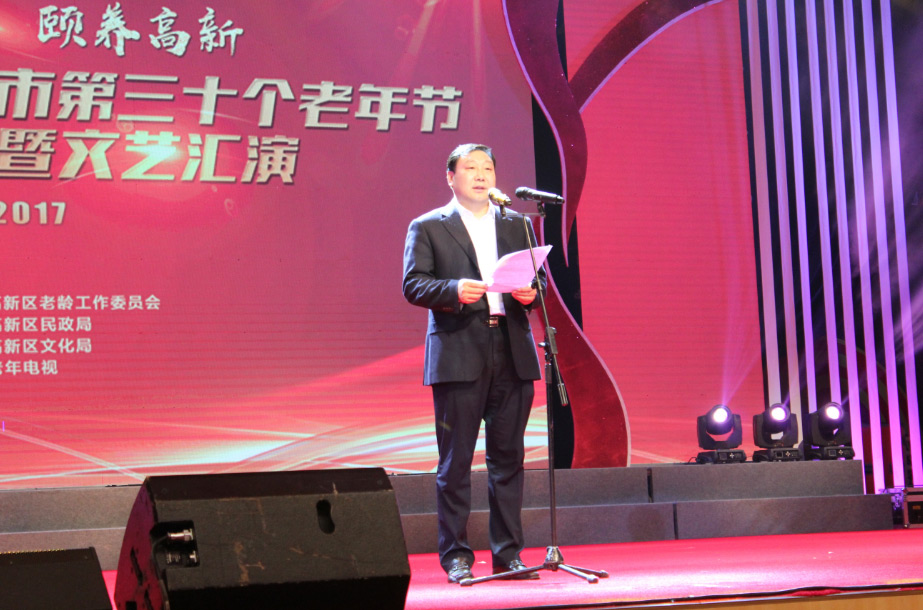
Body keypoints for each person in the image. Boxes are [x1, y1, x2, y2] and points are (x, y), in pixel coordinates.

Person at [402, 143, 545, 584]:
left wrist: (531, 293)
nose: (481, 175)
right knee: (456, 462)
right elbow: (413, 284)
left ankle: (509, 554)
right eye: (470, 168)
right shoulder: (429, 225)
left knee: (509, 460)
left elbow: (537, 281)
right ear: (451, 177)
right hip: (459, 350)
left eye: (487, 168)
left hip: (511, 348)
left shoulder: (518, 224)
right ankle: (456, 556)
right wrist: (452, 290)